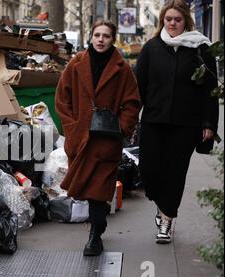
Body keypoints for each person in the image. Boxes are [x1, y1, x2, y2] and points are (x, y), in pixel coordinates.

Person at [134, 0, 219, 244]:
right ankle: (162, 205)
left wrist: (209, 124)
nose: (172, 23)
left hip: (186, 123)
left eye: (177, 20)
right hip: (153, 121)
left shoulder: (201, 49)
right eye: (168, 19)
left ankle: (167, 219)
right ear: (163, 20)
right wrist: (129, 118)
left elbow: (210, 90)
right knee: (149, 171)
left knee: (175, 172)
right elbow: (138, 86)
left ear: (186, 22)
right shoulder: (151, 48)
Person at [56, 21, 142, 256]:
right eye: (97, 35)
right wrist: (72, 127)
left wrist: (122, 128)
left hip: (107, 140)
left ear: (112, 39)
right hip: (81, 139)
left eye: (106, 35)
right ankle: (100, 219)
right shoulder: (76, 64)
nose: (101, 39)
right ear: (91, 37)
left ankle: (95, 236)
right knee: (83, 190)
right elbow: (62, 98)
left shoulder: (121, 68)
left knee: (98, 190)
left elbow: (132, 102)